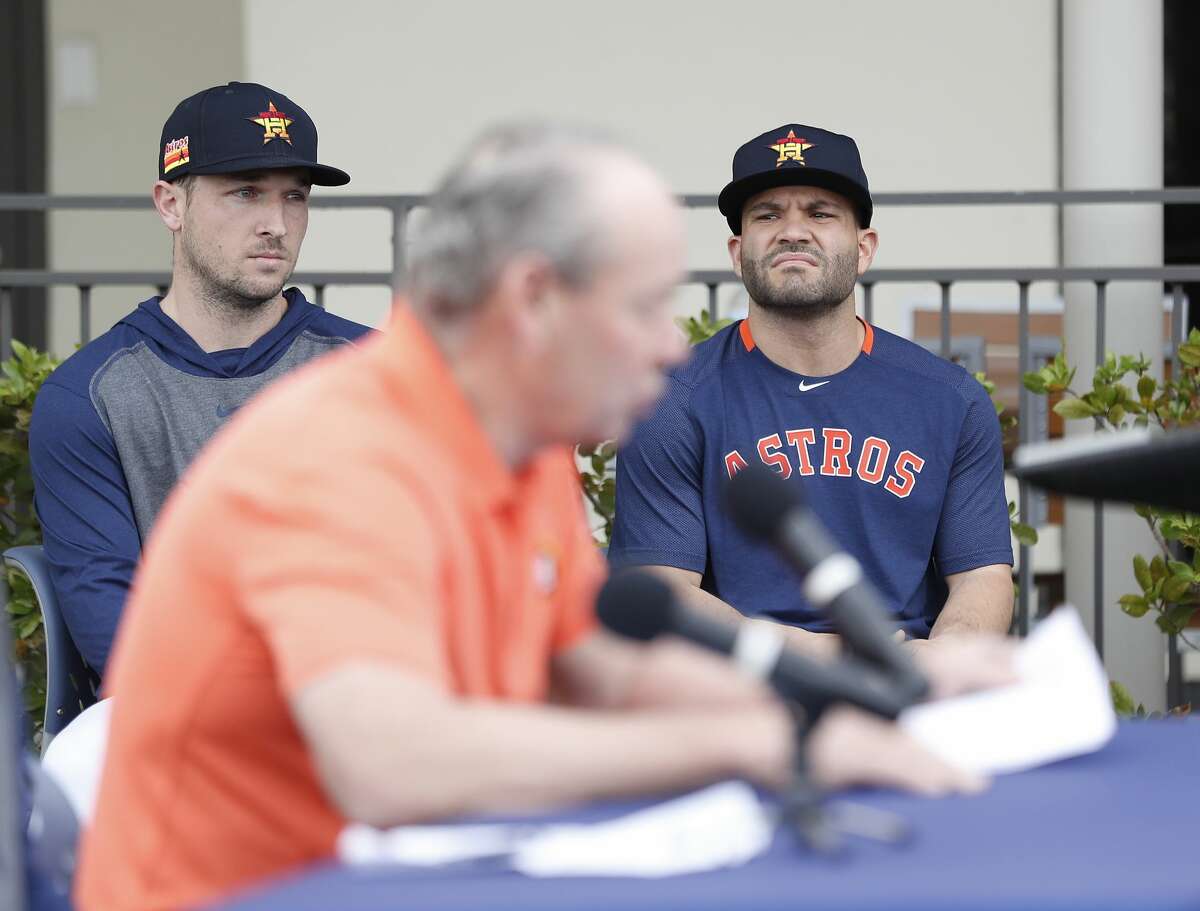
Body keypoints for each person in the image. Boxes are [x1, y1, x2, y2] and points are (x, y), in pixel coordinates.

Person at [74, 124, 1005, 911]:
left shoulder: (524, 449)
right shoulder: (341, 451)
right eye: (642, 308)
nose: (663, 346)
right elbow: (390, 761)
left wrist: (867, 701)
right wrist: (760, 740)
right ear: (532, 301)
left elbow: (601, 669)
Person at [609, 123, 1014, 659]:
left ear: (864, 248)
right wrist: (837, 658)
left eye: (821, 213)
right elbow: (668, 589)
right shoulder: (672, 401)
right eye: (768, 215)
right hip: (744, 684)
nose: (793, 232)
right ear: (737, 251)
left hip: (912, 676)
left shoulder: (948, 399)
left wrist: (944, 659)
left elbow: (982, 577)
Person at [29, 82, 371, 674]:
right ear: (170, 204)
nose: (277, 224)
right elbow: (117, 639)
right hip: (172, 716)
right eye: (245, 193)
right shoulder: (88, 396)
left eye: (295, 197)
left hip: (355, 706)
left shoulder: (372, 373)